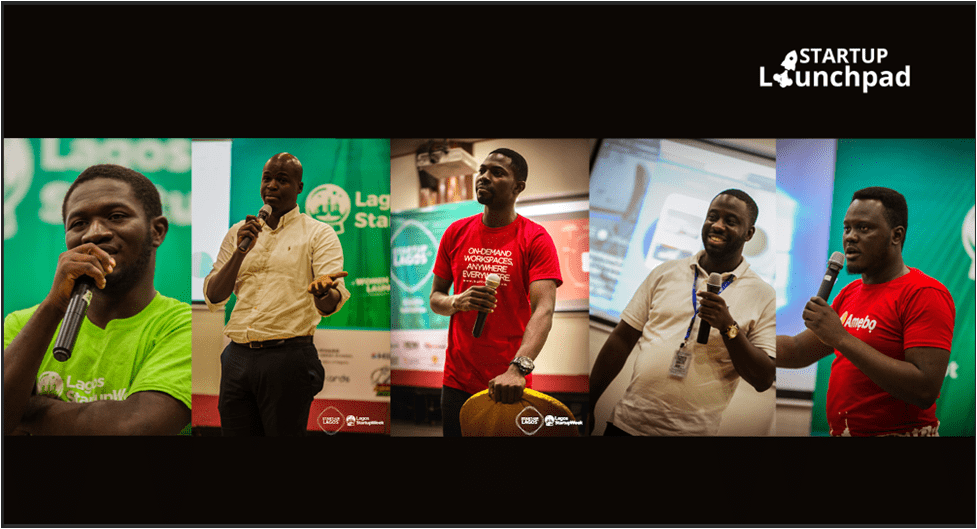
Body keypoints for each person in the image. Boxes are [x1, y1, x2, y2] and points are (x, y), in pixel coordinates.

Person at [3, 164, 191, 435]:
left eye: (116, 216)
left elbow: (132, 429)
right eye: (78, 223)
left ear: (157, 231)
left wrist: (27, 410)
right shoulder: (22, 324)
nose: (94, 233)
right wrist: (53, 307)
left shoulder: (181, 326)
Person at [589, 189, 776, 436]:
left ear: (749, 233)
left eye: (730, 221)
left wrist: (728, 327)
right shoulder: (665, 272)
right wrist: (589, 401)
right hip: (626, 424)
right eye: (712, 217)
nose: (717, 226)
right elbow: (622, 339)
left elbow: (763, 379)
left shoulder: (763, 294)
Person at [776, 187, 954, 436]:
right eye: (847, 228)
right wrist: (739, 336)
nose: (850, 237)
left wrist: (841, 338)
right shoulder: (851, 291)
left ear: (896, 235)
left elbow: (924, 390)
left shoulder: (924, 293)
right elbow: (797, 351)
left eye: (864, 228)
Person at [203, 152, 350, 436]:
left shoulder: (319, 233)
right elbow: (215, 295)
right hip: (237, 356)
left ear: (299, 187)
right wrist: (241, 250)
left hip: (288, 358)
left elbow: (330, 303)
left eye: (282, 180)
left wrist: (323, 291)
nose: (271, 186)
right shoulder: (239, 232)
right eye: (267, 178)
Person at [429, 148, 562, 437]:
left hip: (509, 380)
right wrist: (456, 301)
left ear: (518, 187)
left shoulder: (535, 238)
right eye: (483, 170)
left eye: (497, 172)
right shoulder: (456, 232)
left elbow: (544, 309)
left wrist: (518, 368)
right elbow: (436, 298)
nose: (484, 177)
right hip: (456, 380)